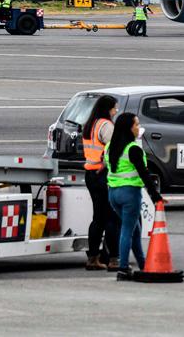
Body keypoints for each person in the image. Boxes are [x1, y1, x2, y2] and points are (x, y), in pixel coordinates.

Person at [104, 112, 164, 281]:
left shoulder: (109, 147)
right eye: (136, 125)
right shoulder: (133, 149)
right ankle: (123, 268)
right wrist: (155, 196)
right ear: (128, 128)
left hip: (113, 194)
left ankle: (143, 264)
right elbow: (144, 174)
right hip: (129, 194)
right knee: (127, 231)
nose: (139, 128)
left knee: (135, 229)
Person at [81, 95, 121, 271]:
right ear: (108, 109)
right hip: (103, 173)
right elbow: (115, 148)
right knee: (112, 217)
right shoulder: (106, 125)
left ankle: (93, 258)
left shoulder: (90, 125)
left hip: (90, 173)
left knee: (98, 218)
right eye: (114, 108)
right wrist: (106, 163)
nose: (116, 111)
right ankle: (113, 259)